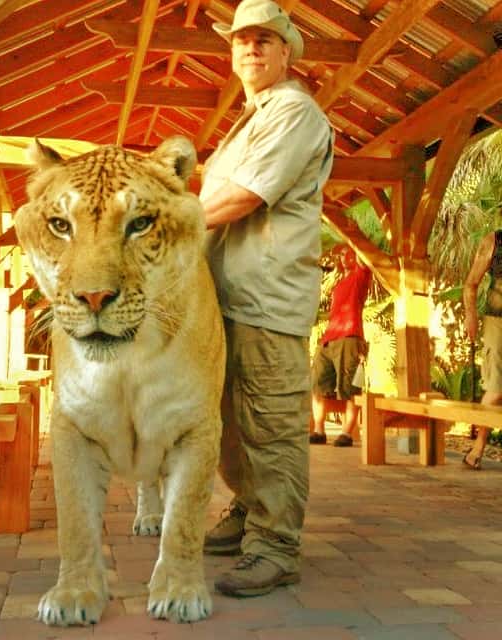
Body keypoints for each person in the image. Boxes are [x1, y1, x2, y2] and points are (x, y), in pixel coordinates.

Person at [199, 0, 334, 597]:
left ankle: (277, 546)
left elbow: (242, 198)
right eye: (240, 41)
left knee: (271, 424)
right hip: (225, 299)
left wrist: (152, 222)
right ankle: (250, 512)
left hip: (267, 300)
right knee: (230, 420)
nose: (250, 48)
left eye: (264, 40)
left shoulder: (294, 112)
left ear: (286, 52)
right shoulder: (247, 120)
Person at [310, 245, 371, 447]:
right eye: (342, 253)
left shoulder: (361, 276)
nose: (344, 256)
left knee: (350, 388)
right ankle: (319, 431)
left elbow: (363, 255)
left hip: (350, 336)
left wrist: (352, 238)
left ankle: (346, 433)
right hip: (328, 339)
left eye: (348, 252)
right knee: (317, 385)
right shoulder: (339, 283)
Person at [462, 229, 502, 469]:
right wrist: (470, 315)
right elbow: (471, 283)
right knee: (496, 388)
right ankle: (478, 447)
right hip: (498, 321)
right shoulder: (494, 241)